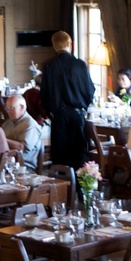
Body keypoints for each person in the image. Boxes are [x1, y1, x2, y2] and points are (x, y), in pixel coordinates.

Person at [39, 31, 95, 169]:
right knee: (79, 155)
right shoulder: (80, 65)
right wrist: (83, 107)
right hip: (77, 115)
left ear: (54, 46)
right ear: (70, 44)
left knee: (60, 157)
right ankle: (81, 182)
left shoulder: (49, 66)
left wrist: (50, 113)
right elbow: (90, 91)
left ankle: (62, 182)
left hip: (58, 117)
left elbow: (44, 95)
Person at [1, 94, 43, 171]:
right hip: (7, 162)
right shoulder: (8, 122)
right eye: (7, 108)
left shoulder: (30, 124)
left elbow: (22, 147)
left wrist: (2, 139)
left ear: (22, 107)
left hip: (24, 166)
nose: (8, 111)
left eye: (11, 108)